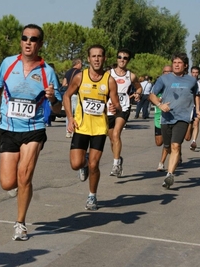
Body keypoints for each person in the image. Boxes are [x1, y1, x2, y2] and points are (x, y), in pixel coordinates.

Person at [0, 24, 61, 241]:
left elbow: (58, 109)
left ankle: (20, 224)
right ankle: (18, 189)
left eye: (34, 39)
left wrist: (53, 99)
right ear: (21, 41)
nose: (29, 42)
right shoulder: (9, 64)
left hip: (34, 130)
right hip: (9, 128)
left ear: (40, 44)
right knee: (7, 183)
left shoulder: (48, 72)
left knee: (24, 176)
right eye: (25, 38)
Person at [63, 44, 121, 210]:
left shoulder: (109, 80)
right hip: (81, 127)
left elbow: (118, 106)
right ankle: (84, 162)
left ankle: (92, 196)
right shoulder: (80, 77)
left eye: (100, 56)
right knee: (75, 164)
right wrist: (70, 118)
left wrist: (114, 108)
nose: (97, 59)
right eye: (93, 56)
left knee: (95, 165)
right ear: (88, 59)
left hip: (99, 129)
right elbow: (67, 96)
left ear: (104, 58)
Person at [148, 52, 200, 189]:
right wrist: (160, 105)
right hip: (166, 117)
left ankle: (169, 174)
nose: (176, 65)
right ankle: (174, 160)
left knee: (176, 145)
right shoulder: (164, 79)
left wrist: (197, 110)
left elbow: (195, 95)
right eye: (174, 62)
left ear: (185, 65)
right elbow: (152, 95)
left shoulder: (192, 81)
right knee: (167, 146)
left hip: (182, 118)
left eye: (179, 63)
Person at [107, 48, 142, 177]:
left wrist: (137, 94)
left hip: (123, 107)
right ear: (116, 59)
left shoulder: (131, 75)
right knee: (112, 139)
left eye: (125, 58)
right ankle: (118, 159)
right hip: (109, 108)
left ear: (128, 60)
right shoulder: (108, 74)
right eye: (120, 57)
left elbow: (139, 87)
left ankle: (115, 165)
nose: (122, 60)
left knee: (116, 134)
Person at [153, 65, 172, 171]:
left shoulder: (175, 85)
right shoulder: (158, 84)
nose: (167, 74)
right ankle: (176, 152)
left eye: (169, 72)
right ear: (162, 72)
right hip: (158, 116)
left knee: (166, 141)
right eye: (165, 72)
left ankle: (161, 163)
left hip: (170, 117)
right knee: (158, 142)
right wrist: (157, 100)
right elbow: (151, 96)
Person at [187, 66, 200, 150]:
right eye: (193, 72)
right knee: (187, 136)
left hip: (197, 106)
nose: (195, 74)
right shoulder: (187, 82)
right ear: (190, 73)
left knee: (196, 122)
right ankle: (190, 136)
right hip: (188, 106)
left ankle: (194, 141)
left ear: (198, 73)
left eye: (196, 73)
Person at [62, 58, 82, 138]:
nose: (81, 65)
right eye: (81, 64)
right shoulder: (80, 73)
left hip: (67, 94)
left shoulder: (68, 72)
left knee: (69, 114)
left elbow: (64, 84)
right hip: (75, 94)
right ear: (78, 63)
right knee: (76, 113)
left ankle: (68, 131)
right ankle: (74, 131)